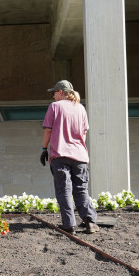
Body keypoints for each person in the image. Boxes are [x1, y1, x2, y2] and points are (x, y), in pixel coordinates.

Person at [40, 80, 99, 234]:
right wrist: (78, 148)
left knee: (64, 189)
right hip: (80, 156)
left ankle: (69, 225)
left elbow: (48, 130)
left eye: (54, 93)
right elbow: (84, 133)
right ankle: (90, 222)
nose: (53, 96)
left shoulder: (55, 107)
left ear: (60, 92)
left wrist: (44, 148)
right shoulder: (81, 108)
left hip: (60, 155)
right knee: (81, 189)